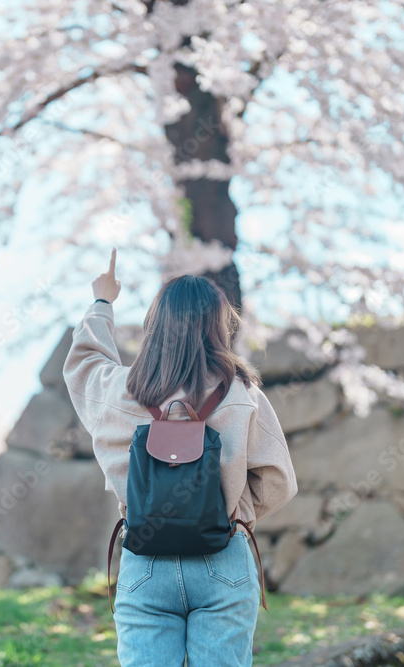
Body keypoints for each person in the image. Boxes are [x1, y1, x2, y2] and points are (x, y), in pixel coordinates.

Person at [63, 247, 299, 667]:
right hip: (223, 554)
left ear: (155, 325)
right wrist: (229, 510)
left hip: (146, 560)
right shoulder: (243, 394)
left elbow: (83, 363)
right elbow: (278, 480)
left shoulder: (119, 392)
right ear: (218, 327)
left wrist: (103, 301)